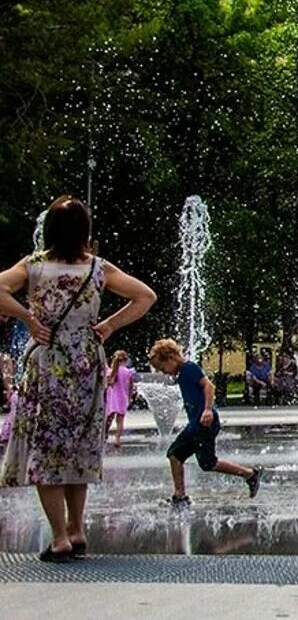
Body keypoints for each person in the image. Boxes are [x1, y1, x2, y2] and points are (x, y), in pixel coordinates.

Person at [0, 196, 156, 562]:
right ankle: (77, 529)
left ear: (49, 230)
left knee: (47, 446)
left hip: (48, 359)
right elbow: (145, 296)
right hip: (87, 361)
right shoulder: (99, 268)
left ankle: (59, 539)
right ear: (85, 231)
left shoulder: (33, 266)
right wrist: (108, 325)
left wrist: (28, 318)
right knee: (79, 445)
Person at [147, 339, 261, 508]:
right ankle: (248, 475)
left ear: (170, 358)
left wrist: (207, 410)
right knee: (200, 461)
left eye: (163, 368)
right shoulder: (183, 372)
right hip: (198, 423)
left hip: (204, 422)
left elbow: (208, 386)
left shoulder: (189, 368)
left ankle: (249, 474)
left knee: (178, 455)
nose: (164, 373)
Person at [104, 350, 137, 448]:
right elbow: (131, 387)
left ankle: (105, 435)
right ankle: (117, 439)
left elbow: (107, 384)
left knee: (109, 418)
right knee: (120, 420)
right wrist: (130, 398)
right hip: (123, 398)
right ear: (126, 360)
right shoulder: (128, 372)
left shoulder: (111, 371)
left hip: (112, 397)